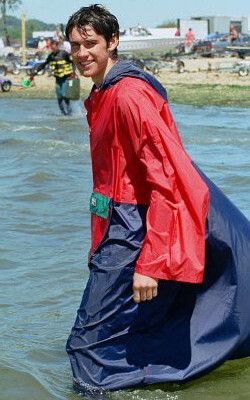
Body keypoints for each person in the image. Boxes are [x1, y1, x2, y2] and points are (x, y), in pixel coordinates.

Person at [65, 4, 250, 395]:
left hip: (135, 227)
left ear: (112, 42)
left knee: (86, 345)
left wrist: (152, 263)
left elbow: (167, 178)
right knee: (109, 334)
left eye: (90, 43)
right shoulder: (103, 93)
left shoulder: (129, 95)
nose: (82, 53)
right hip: (118, 222)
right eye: (75, 44)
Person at [37, 39, 74, 116]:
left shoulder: (64, 54)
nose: (52, 49)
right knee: (59, 97)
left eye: (54, 48)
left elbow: (72, 62)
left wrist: (73, 73)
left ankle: (69, 112)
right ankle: (63, 114)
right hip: (58, 79)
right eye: (51, 48)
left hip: (66, 78)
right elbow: (45, 63)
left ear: (57, 46)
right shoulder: (51, 56)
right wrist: (36, 70)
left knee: (65, 95)